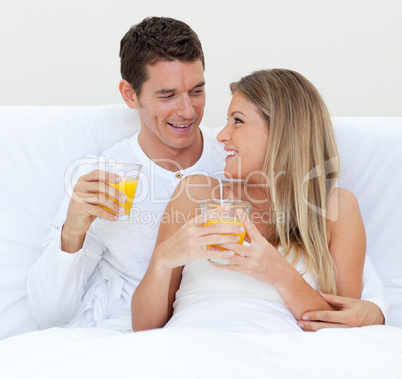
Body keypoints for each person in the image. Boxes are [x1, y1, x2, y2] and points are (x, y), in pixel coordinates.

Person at [27, 17, 385, 332]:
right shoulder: (103, 181)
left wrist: (377, 312)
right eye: (167, 95)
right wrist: (72, 232)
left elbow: (348, 301)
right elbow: (51, 314)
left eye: (197, 91)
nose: (188, 110)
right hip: (165, 334)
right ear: (130, 95)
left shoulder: (235, 157)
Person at [131, 69, 385, 333]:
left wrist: (279, 272)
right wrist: (162, 260)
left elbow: (346, 328)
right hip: (191, 344)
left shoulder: (336, 208)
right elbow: (144, 327)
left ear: (283, 131)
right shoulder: (196, 194)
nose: (221, 136)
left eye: (237, 121)